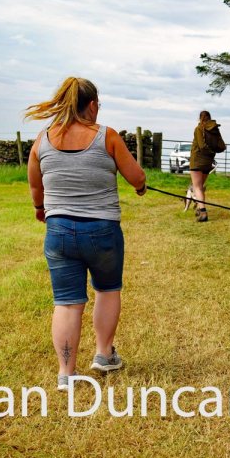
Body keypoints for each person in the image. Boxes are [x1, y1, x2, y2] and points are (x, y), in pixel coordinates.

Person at [25, 77, 147, 391]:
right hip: (102, 231)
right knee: (107, 290)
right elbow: (136, 177)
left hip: (59, 231)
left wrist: (41, 209)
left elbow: (36, 186)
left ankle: (66, 372)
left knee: (66, 303)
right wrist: (140, 186)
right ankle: (104, 355)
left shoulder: (43, 140)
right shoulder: (107, 137)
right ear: (92, 105)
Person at [189, 110, 224, 222]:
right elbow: (222, 146)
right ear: (209, 118)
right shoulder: (215, 130)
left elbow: (202, 146)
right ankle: (199, 208)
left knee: (197, 187)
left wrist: (208, 151)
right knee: (201, 186)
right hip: (208, 161)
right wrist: (212, 152)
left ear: (200, 118)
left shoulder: (199, 129)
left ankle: (203, 212)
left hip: (197, 160)